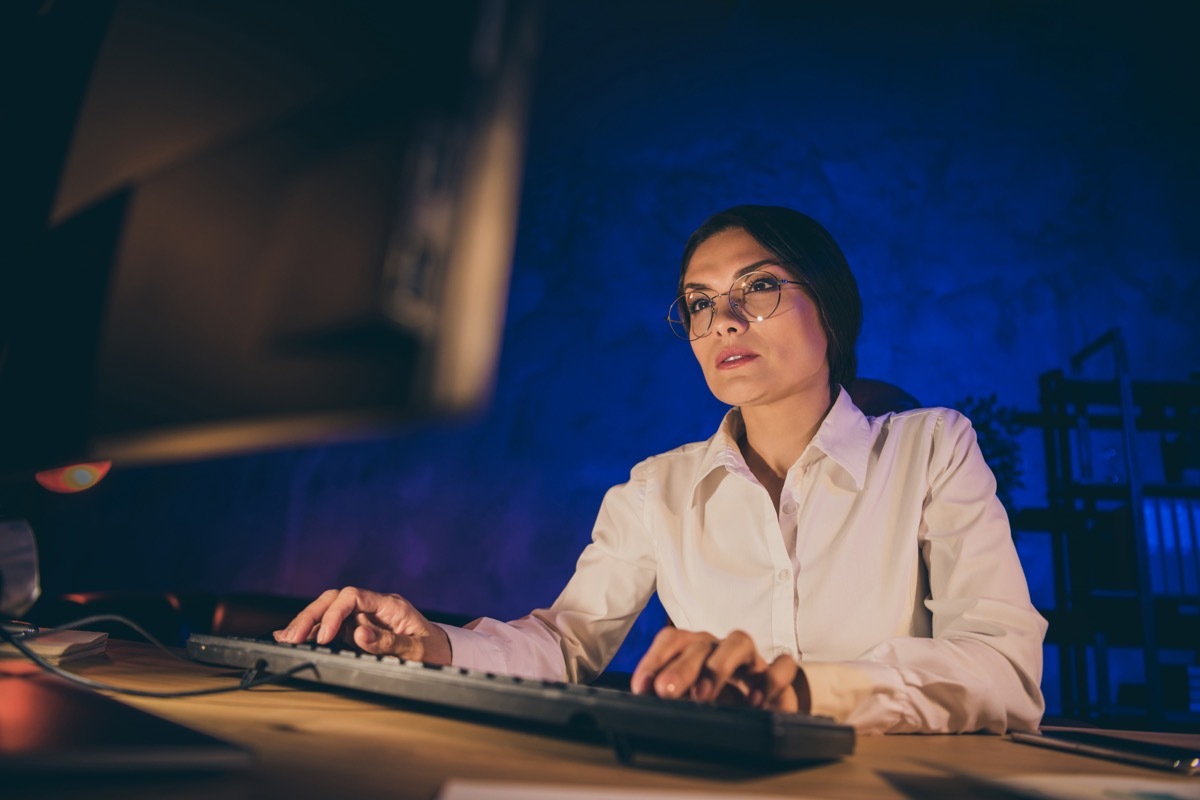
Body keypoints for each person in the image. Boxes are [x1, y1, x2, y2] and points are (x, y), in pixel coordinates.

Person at [275, 205, 1047, 734]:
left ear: (832, 310)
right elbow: (566, 646)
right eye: (700, 303)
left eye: (759, 287)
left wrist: (809, 690)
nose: (725, 321)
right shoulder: (656, 490)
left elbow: (1004, 671)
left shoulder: (931, 448)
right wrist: (435, 647)